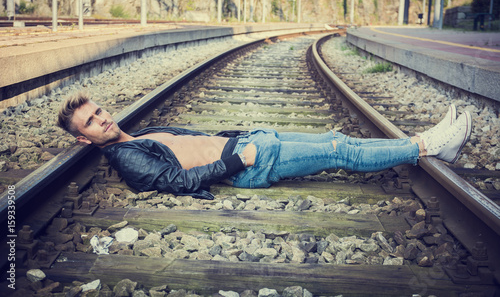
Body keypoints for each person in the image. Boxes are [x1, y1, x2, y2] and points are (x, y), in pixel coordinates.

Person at [56, 92, 472, 200]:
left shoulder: (139, 134)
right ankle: (426, 145)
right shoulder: (126, 158)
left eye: (98, 111)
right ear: (83, 138)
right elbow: (176, 180)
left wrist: (244, 139)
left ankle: (427, 146)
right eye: (90, 122)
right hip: (250, 163)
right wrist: (239, 161)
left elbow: (196, 141)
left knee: (336, 140)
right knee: (339, 153)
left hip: (250, 143)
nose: (101, 118)